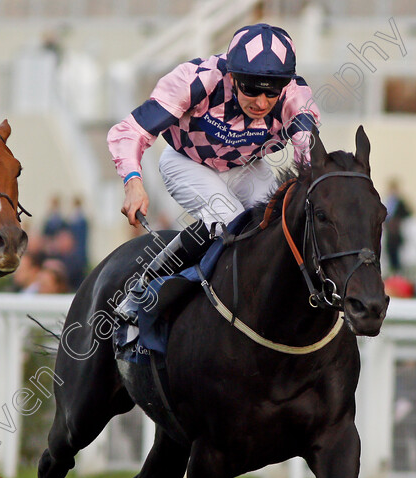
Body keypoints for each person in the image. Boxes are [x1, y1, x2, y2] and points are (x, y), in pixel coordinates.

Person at [108, 23, 320, 320]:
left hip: (247, 167)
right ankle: (143, 289)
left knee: (281, 225)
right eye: (250, 90)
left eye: (271, 93)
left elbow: (309, 158)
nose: (261, 103)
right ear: (232, 77)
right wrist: (133, 182)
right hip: (187, 163)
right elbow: (129, 131)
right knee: (233, 221)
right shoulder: (196, 80)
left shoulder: (296, 97)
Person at [384, 179, 410, 273]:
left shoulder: (400, 202)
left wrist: (398, 220)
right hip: (390, 233)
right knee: (390, 253)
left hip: (396, 232)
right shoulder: (387, 201)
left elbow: (408, 213)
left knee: (397, 255)